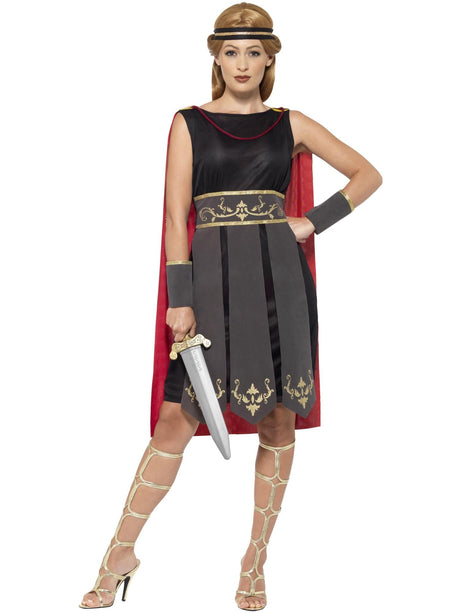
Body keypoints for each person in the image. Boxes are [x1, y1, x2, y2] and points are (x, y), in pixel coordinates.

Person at [79, 2, 382, 610]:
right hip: (210, 284)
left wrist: (312, 222)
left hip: (279, 287)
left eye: (254, 52)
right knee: (176, 419)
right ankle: (119, 554)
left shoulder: (291, 123)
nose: (242, 62)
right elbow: (175, 218)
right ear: (216, 58)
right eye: (231, 51)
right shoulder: (188, 123)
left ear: (269, 59)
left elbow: (366, 174)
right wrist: (180, 301)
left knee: (278, 420)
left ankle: (254, 561)